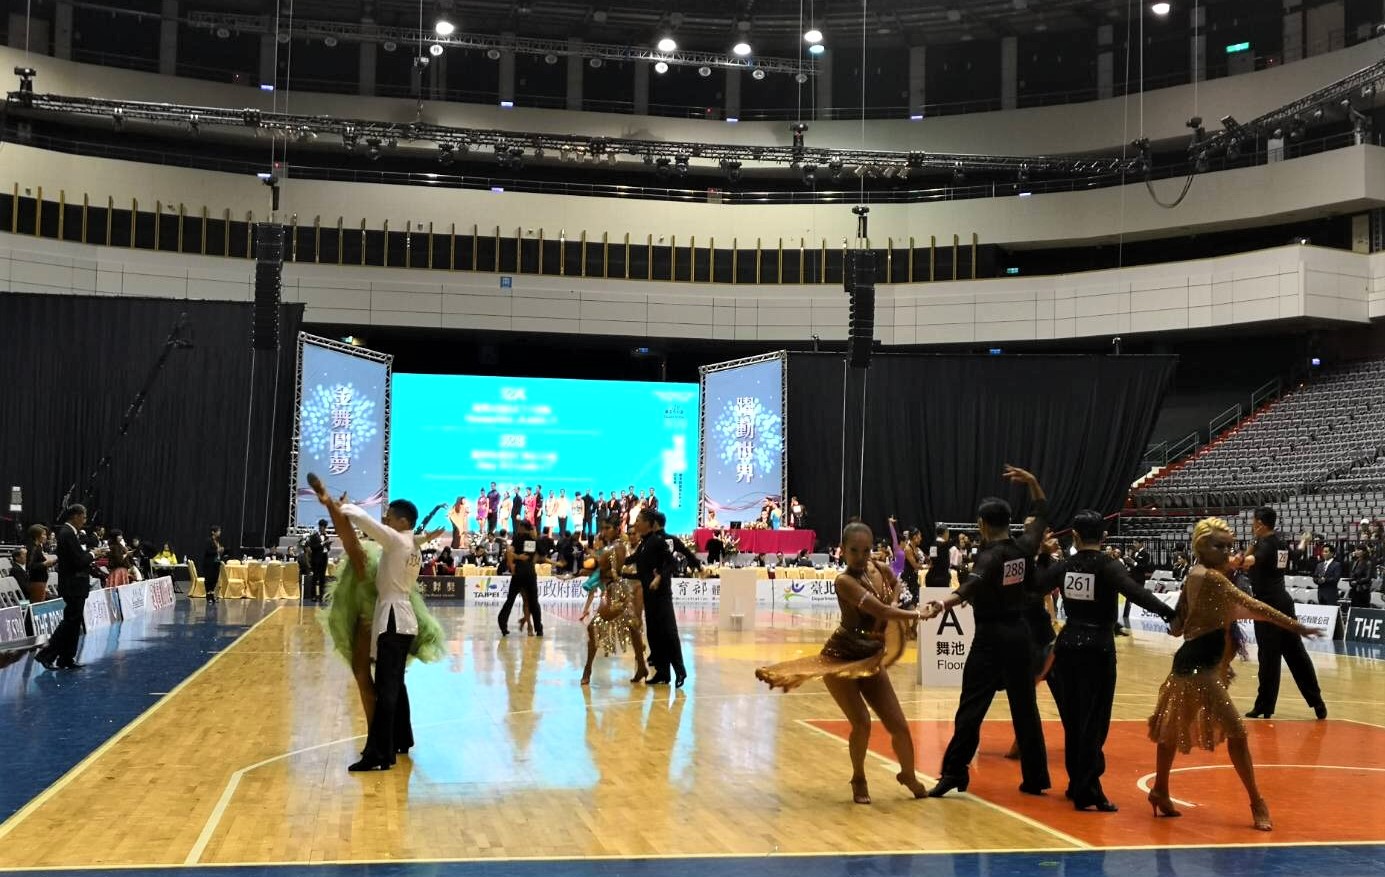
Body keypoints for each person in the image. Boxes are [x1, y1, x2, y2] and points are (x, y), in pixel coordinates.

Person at [1146, 517, 1322, 831]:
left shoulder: (1195, 574)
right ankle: (1257, 802)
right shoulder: (1213, 579)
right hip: (1198, 667)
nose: (1227, 552)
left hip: (1198, 662)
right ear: (1202, 546)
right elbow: (1256, 606)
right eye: (1220, 546)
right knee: (1236, 733)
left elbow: (1178, 626)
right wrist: (1297, 627)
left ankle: (1160, 790)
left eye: (1229, 546)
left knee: (1173, 730)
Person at [757, 521, 929, 804]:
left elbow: (897, 585)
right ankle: (859, 777)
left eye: (866, 550)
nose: (860, 557)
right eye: (854, 551)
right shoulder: (844, 582)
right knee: (862, 723)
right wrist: (917, 614)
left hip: (870, 658)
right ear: (842, 550)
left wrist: (898, 598)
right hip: (839, 659)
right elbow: (881, 610)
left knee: (899, 724)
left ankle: (908, 775)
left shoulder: (879, 569)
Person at [1029, 510, 1178, 812]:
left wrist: (1043, 556)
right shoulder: (1108, 566)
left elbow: (1036, 586)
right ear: (1104, 536)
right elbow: (1136, 592)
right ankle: (1087, 790)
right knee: (1094, 722)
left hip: (1067, 647)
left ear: (1075, 536)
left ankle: (1078, 784)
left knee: (1074, 720)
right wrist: (1169, 613)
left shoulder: (1065, 566)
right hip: (1097, 648)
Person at [922, 465, 1051, 798]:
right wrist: (1033, 483)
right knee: (1025, 709)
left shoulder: (990, 557)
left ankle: (954, 772)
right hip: (1020, 636)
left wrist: (943, 604)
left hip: (990, 639)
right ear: (1009, 522)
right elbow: (1042, 514)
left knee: (971, 707)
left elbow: (971, 585)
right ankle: (1036, 778)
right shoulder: (1025, 547)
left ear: (981, 524)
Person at [314, 479, 444, 744]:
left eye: (389, 516)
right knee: (394, 683)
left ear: (402, 522)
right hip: (400, 616)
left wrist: (337, 506)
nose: (385, 519)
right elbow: (360, 537)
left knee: (378, 682)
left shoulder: (392, 544)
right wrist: (428, 537)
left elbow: (358, 529)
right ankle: (399, 739)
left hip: (387, 616)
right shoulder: (409, 545)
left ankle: (380, 745)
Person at [1241, 507, 1326, 720]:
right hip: (1284, 603)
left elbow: (1250, 561)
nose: (1251, 524)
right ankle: (1317, 702)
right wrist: (1304, 541)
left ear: (1260, 523)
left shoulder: (1265, 545)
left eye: (1253, 521)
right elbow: (1297, 553)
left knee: (1268, 657)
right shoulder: (1279, 542)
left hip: (1267, 607)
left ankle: (1264, 706)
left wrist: (1236, 559)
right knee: (1296, 653)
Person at [579, 517, 648, 685]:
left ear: (617, 529)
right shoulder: (614, 547)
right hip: (615, 590)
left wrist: (591, 563)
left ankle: (588, 670)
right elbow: (602, 569)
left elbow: (604, 568)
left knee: (594, 627)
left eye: (608, 528)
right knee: (632, 629)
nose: (604, 531)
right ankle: (641, 667)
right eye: (603, 528)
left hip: (616, 593)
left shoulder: (615, 547)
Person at [35, 504, 105, 671]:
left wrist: (90, 554)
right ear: (75, 516)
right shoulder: (67, 534)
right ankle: (46, 654)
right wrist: (94, 554)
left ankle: (66, 658)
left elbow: (78, 557)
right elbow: (78, 561)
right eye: (84, 517)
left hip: (76, 585)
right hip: (73, 585)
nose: (85, 521)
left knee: (74, 623)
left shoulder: (70, 533)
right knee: (70, 622)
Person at [624, 509, 687, 687]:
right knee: (654, 635)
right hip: (649, 597)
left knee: (668, 634)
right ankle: (662, 672)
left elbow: (673, 563)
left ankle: (680, 671)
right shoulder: (643, 544)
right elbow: (635, 565)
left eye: (638, 520)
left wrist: (659, 577)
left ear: (648, 523)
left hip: (661, 597)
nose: (636, 523)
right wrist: (615, 567)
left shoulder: (657, 542)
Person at [499, 519, 543, 637]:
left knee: (510, 600)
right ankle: (538, 628)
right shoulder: (534, 540)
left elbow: (509, 552)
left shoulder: (517, 539)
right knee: (533, 602)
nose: (518, 528)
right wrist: (531, 562)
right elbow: (541, 554)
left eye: (519, 527)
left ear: (523, 528)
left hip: (519, 573)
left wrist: (515, 562)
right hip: (530, 573)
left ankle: (503, 624)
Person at [24, 524, 55, 603]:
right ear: (36, 535)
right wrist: (44, 564)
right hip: (36, 581)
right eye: (43, 534)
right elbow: (30, 566)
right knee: (37, 605)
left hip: (41, 580)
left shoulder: (39, 547)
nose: (46, 537)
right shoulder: (33, 548)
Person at [306, 519, 332, 602]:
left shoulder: (326, 536)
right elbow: (313, 547)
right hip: (316, 559)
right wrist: (323, 543)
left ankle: (321, 596)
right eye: (323, 527)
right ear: (320, 527)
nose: (324, 529)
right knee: (315, 577)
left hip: (324, 558)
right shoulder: (314, 536)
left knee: (322, 577)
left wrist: (328, 545)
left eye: (325, 527)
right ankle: (313, 596)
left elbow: (328, 548)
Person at [202, 525, 225, 604]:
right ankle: (208, 597)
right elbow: (208, 551)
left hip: (216, 563)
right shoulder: (209, 541)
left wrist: (222, 551)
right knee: (209, 580)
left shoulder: (217, 541)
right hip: (209, 564)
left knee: (214, 580)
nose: (220, 532)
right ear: (213, 532)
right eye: (218, 531)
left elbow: (217, 552)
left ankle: (212, 596)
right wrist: (217, 551)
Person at [925, 525, 952, 591]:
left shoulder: (933, 544)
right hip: (942, 579)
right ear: (946, 533)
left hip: (931, 577)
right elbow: (946, 564)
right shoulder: (945, 545)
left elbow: (931, 560)